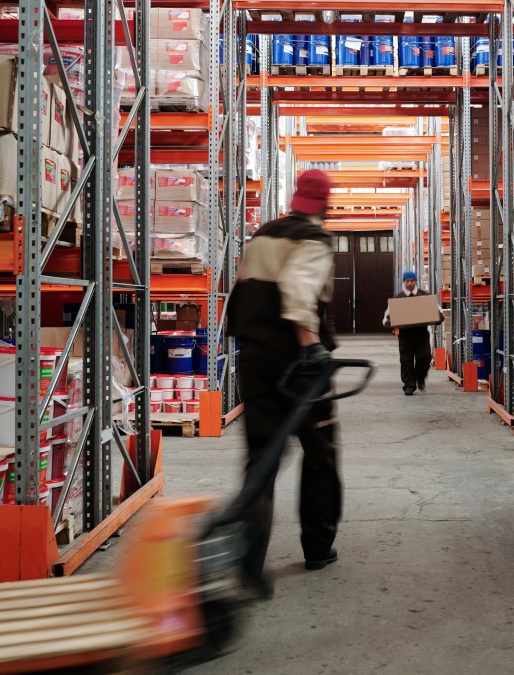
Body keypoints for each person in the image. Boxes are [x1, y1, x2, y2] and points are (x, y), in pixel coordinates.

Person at [227, 169, 341, 599]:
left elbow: (245, 291)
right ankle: (318, 546)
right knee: (320, 454)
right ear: (325, 205)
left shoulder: (263, 234)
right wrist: (310, 346)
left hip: (254, 359)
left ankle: (249, 561)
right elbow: (298, 291)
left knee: (261, 459)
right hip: (298, 365)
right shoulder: (314, 239)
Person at [382, 271, 442, 396]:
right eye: (407, 281)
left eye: (412, 280)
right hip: (405, 335)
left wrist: (437, 318)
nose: (410, 283)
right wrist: (390, 323)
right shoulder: (398, 299)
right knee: (406, 361)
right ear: (404, 282)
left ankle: (420, 378)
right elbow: (386, 318)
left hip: (421, 334)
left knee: (425, 357)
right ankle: (409, 385)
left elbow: (439, 313)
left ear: (416, 281)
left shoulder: (425, 296)